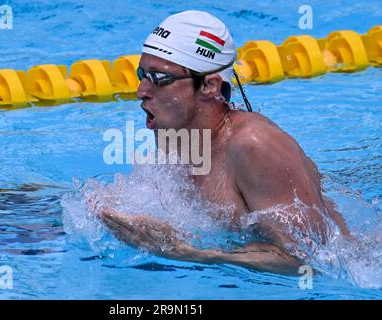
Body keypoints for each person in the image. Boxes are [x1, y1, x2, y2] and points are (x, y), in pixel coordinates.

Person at [92, 10, 351, 275]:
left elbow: (315, 262)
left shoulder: (254, 145)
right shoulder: (176, 133)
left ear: (209, 86)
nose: (141, 91)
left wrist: (189, 253)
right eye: (142, 74)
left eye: (160, 79)